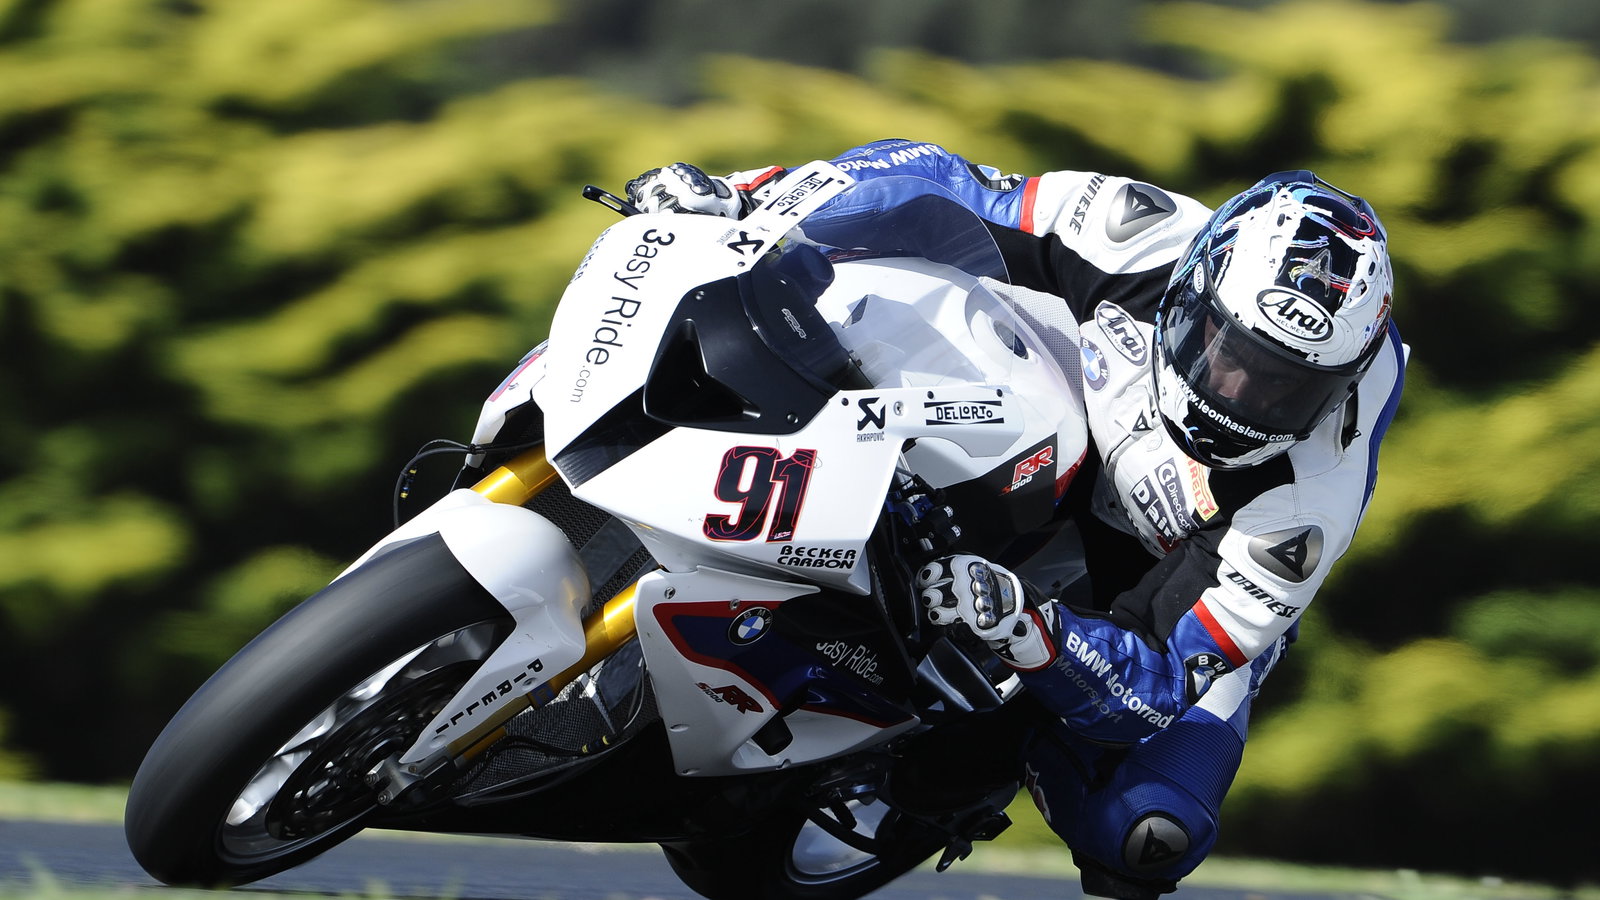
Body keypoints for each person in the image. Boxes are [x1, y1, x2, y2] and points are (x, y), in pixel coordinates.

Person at [624, 140, 1406, 899]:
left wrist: (1028, 629)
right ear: (1192, 291)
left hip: (1163, 569)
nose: (1234, 396)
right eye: (1225, 349)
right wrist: (750, 197)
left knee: (1146, 833)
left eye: (1284, 386)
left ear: (1338, 387)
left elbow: (1162, 678)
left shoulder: (1303, 509)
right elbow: (939, 181)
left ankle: (964, 769)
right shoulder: (1149, 235)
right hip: (1047, 407)